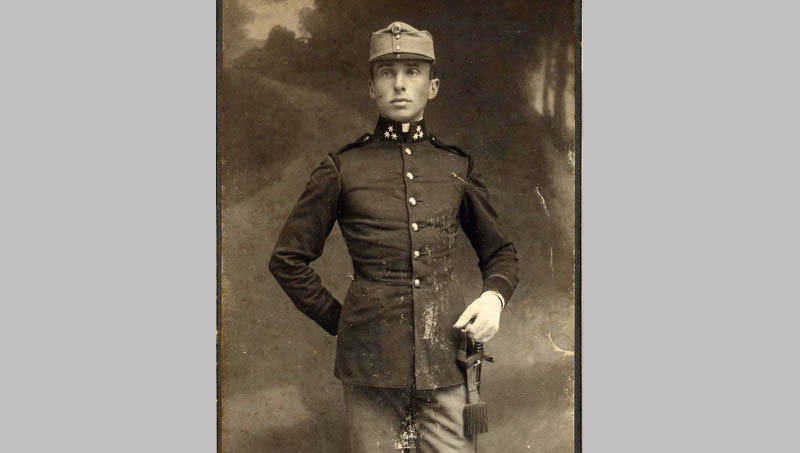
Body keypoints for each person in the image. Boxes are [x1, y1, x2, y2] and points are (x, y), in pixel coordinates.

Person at [269, 21, 519, 452]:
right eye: (387, 73)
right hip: (370, 366)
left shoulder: (456, 166)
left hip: (445, 357)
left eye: (412, 72)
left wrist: (493, 299)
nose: (399, 84)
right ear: (372, 87)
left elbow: (501, 253)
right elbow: (287, 259)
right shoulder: (342, 167)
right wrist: (343, 321)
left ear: (433, 87)